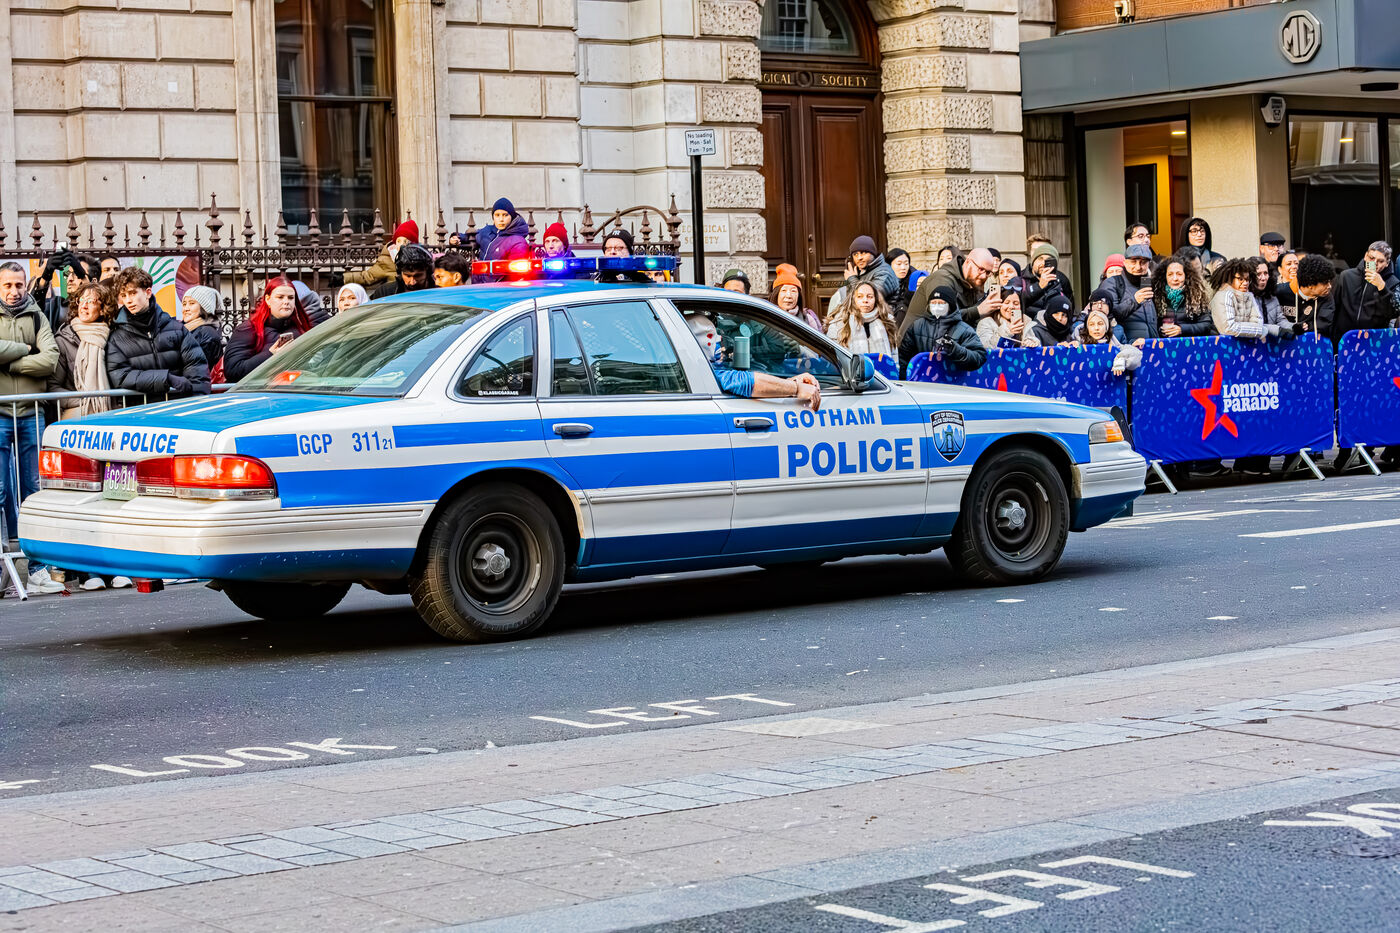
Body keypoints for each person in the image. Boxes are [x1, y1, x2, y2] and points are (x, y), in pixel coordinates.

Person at [46, 282, 133, 592]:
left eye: (92, 301)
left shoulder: (114, 337)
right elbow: (53, 386)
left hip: (110, 426)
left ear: (103, 308)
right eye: (81, 300)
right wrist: (83, 402)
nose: (85, 306)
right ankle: (88, 571)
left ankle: (118, 567)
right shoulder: (64, 338)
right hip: (78, 426)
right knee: (82, 499)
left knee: (115, 497)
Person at [0, 262, 62, 595]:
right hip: (0, 414)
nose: (14, 291)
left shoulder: (37, 315)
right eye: (7, 285)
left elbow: (49, 359)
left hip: (31, 414)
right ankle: (2, 570)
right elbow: (37, 355)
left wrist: (8, 364)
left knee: (34, 492)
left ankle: (38, 571)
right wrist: (25, 350)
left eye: (19, 284)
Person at [106, 267, 210, 403]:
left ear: (148, 292)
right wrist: (166, 378)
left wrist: (197, 402)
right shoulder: (116, 337)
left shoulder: (177, 329)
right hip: (142, 411)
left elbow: (196, 367)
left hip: (178, 408)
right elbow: (121, 375)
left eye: (132, 293)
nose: (128, 300)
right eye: (124, 296)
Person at [684, 310, 820, 410]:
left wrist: (791, 382)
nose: (718, 340)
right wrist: (796, 388)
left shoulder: (698, 368)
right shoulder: (707, 372)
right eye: (709, 336)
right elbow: (749, 382)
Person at [223, 277, 314, 382]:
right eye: (280, 297)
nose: (286, 302)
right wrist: (270, 354)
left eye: (290, 298)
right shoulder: (248, 329)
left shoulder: (301, 330)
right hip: (257, 390)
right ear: (268, 299)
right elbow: (233, 371)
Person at [901, 247, 999, 340]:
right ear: (968, 262)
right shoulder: (942, 279)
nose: (983, 276)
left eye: (988, 273)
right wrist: (978, 310)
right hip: (915, 345)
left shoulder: (972, 282)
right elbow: (941, 317)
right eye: (981, 269)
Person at [897, 285, 986, 375]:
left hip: (951, 380)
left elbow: (979, 357)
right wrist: (903, 379)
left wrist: (955, 350)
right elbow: (903, 357)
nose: (936, 306)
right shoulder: (917, 326)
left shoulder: (963, 330)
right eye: (933, 303)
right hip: (920, 379)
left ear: (951, 306)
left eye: (941, 303)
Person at [1329, 241, 1399, 343]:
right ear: (1366, 256)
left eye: (1380, 261)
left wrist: (1382, 287)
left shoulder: (1392, 282)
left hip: (1374, 341)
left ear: (1387, 263)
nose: (1375, 263)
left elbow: (1393, 313)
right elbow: (1333, 307)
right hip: (1344, 339)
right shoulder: (1346, 276)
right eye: (1372, 258)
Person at [825, 281, 896, 357]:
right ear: (853, 299)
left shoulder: (886, 321)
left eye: (870, 296)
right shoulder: (839, 323)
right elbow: (832, 355)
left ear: (876, 299)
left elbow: (894, 354)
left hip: (880, 365)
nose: (865, 300)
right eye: (859, 296)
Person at [1150, 255, 1214, 339]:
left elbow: (1206, 324)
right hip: (1165, 344)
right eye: (1170, 274)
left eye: (1179, 274)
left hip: (1190, 344)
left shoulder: (1196, 296)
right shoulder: (1156, 296)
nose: (1175, 278)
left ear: (1186, 276)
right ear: (1164, 277)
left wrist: (1182, 329)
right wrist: (1160, 330)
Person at [345, 219, 418, 290]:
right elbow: (368, 276)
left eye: (406, 241)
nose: (401, 245)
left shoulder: (420, 259)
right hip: (394, 296)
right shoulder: (387, 259)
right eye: (398, 241)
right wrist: (343, 278)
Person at [1107, 244, 1158, 342]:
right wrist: (1135, 301)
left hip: (1152, 345)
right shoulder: (1113, 283)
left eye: (1143, 262)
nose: (1138, 267)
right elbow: (1108, 316)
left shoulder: (1152, 284)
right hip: (1126, 347)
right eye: (1133, 261)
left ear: (1149, 264)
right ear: (1125, 263)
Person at [832, 235, 898, 308]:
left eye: (863, 253)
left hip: (882, 314)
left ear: (873, 254)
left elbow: (869, 299)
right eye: (855, 254)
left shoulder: (884, 272)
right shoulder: (863, 271)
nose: (859, 258)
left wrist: (851, 279)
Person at [1076, 306, 1142, 376]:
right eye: (1091, 325)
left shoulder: (1115, 346)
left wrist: (1122, 359)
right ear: (1087, 328)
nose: (1096, 328)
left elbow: (1137, 354)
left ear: (1106, 327)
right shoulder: (1079, 344)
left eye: (1100, 324)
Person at [1209, 259, 1266, 340]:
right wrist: (1258, 330)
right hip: (1223, 345)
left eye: (1247, 279)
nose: (1245, 283)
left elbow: (1259, 323)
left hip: (1245, 345)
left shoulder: (1249, 296)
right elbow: (1228, 328)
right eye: (1240, 279)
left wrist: (1258, 329)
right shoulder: (1223, 296)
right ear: (1230, 279)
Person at [179, 284, 224, 369]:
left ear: (204, 308)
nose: (186, 309)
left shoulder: (207, 334)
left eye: (192, 303)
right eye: (184, 304)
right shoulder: (184, 330)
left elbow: (195, 369)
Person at [1289, 254, 1335, 334]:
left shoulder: (1327, 297)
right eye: (1325, 283)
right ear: (1310, 284)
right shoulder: (1282, 292)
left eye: (1329, 281)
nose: (1329, 286)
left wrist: (1307, 326)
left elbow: (1323, 323)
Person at [1023, 243, 1074, 316]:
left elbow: (1070, 308)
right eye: (1040, 259)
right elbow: (1019, 302)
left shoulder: (1061, 279)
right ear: (1033, 262)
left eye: (1048, 260)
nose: (1043, 263)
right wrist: (1039, 287)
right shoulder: (1021, 278)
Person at [768, 263, 821, 330]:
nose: (788, 296)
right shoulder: (766, 318)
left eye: (793, 291)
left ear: (799, 296)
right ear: (776, 295)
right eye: (784, 290)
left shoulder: (808, 319)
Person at [479, 198, 530, 265]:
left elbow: (515, 269)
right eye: (497, 215)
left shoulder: (518, 242)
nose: (501, 219)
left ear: (512, 217)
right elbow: (471, 236)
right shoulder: (487, 231)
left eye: (505, 215)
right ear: (493, 217)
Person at [885, 248, 917, 324]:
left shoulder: (914, 279)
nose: (903, 268)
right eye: (899, 264)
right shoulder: (882, 280)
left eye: (906, 264)